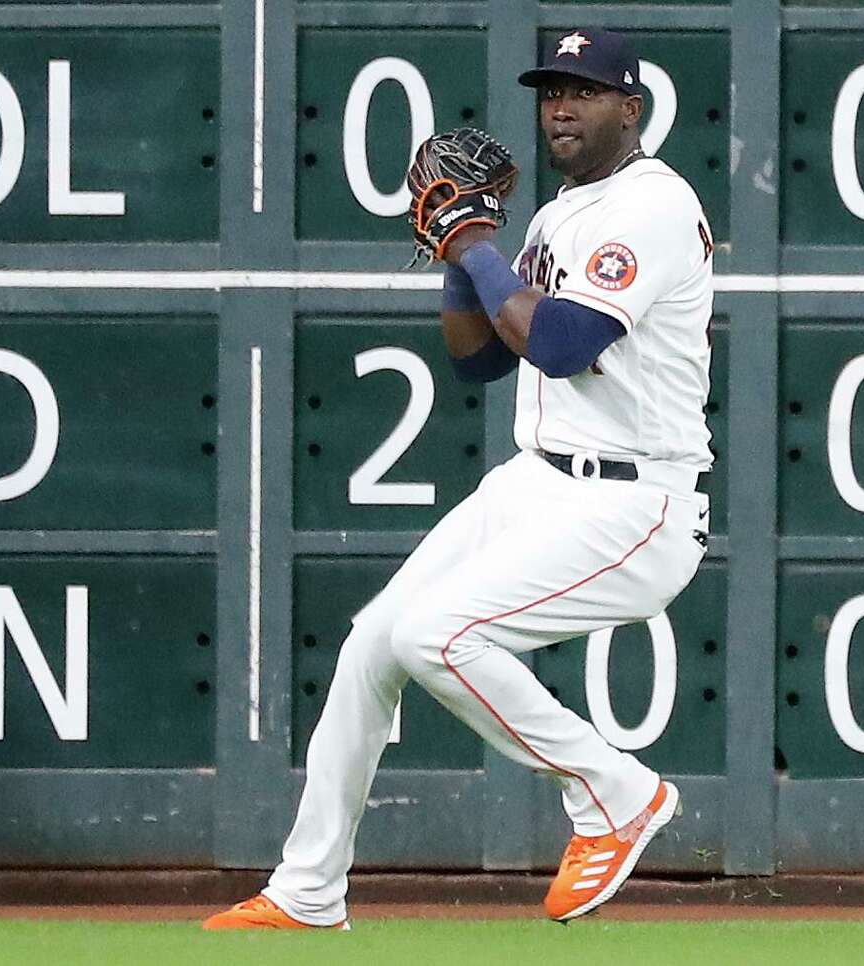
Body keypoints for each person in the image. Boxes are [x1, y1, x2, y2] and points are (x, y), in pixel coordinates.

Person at [203, 26, 714, 930]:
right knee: (374, 647)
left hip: (636, 498)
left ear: (629, 109)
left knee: (438, 637)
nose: (560, 104)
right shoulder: (562, 213)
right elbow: (480, 362)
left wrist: (477, 242)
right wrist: (456, 253)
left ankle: (616, 791)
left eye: (584, 90)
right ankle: (308, 890)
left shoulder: (652, 205)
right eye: (552, 89)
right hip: (542, 481)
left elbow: (561, 344)